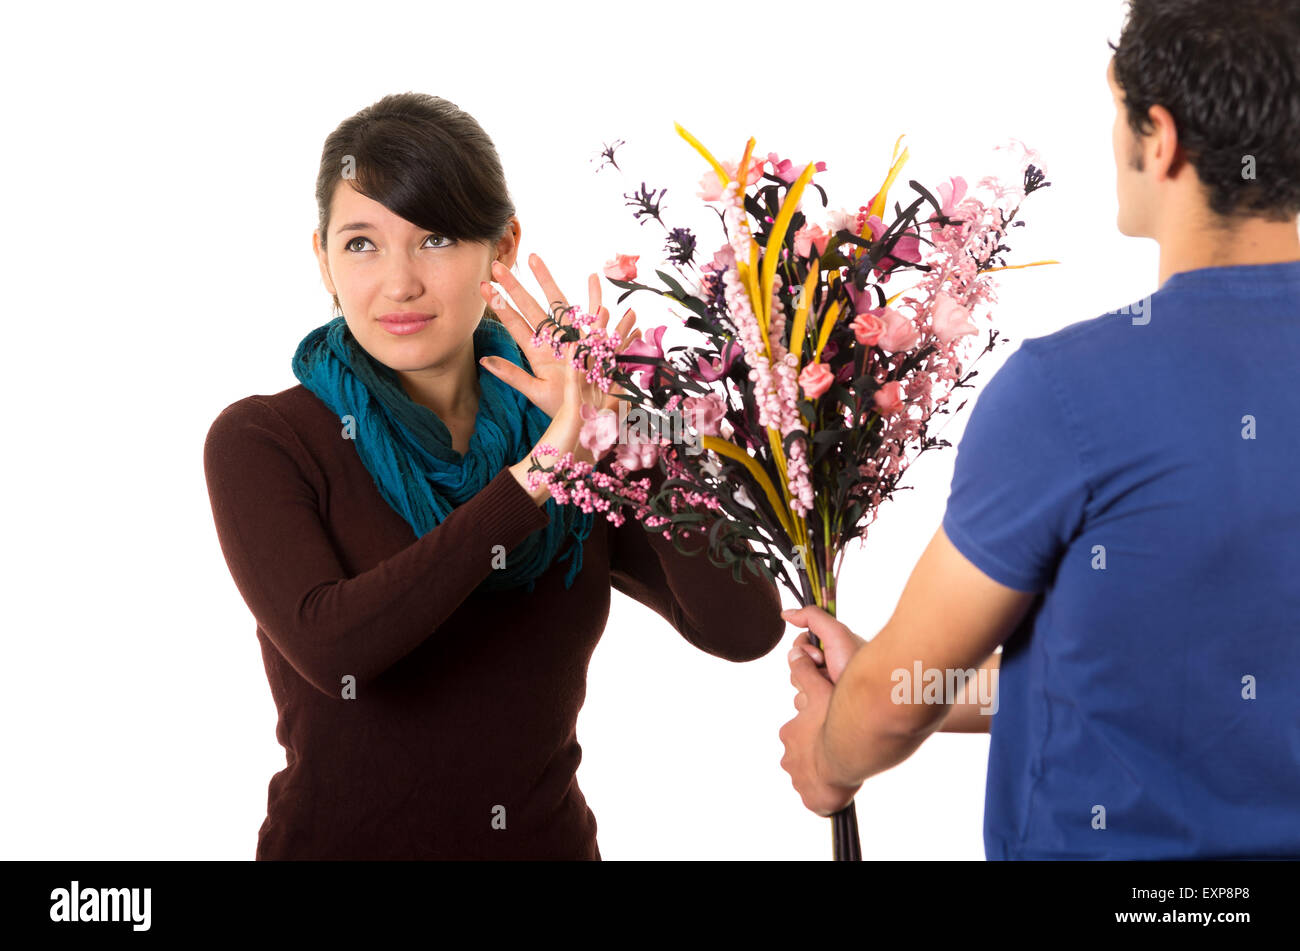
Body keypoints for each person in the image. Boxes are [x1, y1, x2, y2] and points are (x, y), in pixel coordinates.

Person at [778, 0, 1300, 859]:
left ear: (1158, 136)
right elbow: (1148, 665)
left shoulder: (1071, 394)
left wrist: (833, 750)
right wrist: (901, 673)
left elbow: (879, 715)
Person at [202, 92, 784, 860]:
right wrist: (538, 474)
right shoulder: (265, 438)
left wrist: (628, 439)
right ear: (323, 261)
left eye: (435, 238)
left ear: (502, 246)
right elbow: (337, 646)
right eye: (362, 244)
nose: (400, 283)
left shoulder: (580, 430)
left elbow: (745, 628)